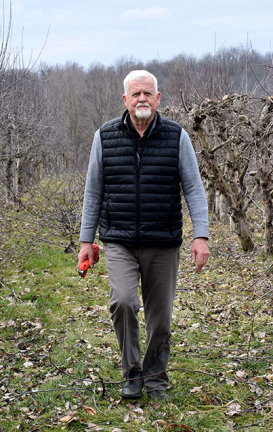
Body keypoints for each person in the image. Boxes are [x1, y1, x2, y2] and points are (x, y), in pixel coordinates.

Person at [77, 70, 210, 401]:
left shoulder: (176, 137)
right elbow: (93, 192)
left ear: (158, 98)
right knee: (123, 302)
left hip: (163, 241)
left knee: (160, 319)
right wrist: (85, 241)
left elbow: (194, 187)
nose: (142, 99)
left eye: (148, 94)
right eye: (135, 94)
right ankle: (132, 372)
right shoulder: (104, 137)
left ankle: (155, 378)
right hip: (119, 240)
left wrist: (201, 235)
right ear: (125, 99)